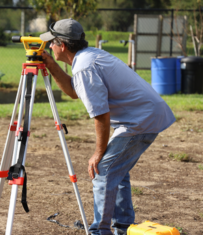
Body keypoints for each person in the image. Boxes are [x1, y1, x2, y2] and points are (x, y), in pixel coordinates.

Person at [39, 19, 175, 235]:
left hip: (140, 121)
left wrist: (98, 153)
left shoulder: (85, 67)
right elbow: (74, 92)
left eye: (51, 43)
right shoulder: (88, 56)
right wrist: (51, 65)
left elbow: (101, 115)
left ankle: (100, 231)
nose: (48, 47)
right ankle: (123, 227)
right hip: (144, 116)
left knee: (102, 170)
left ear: (62, 46)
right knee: (116, 171)